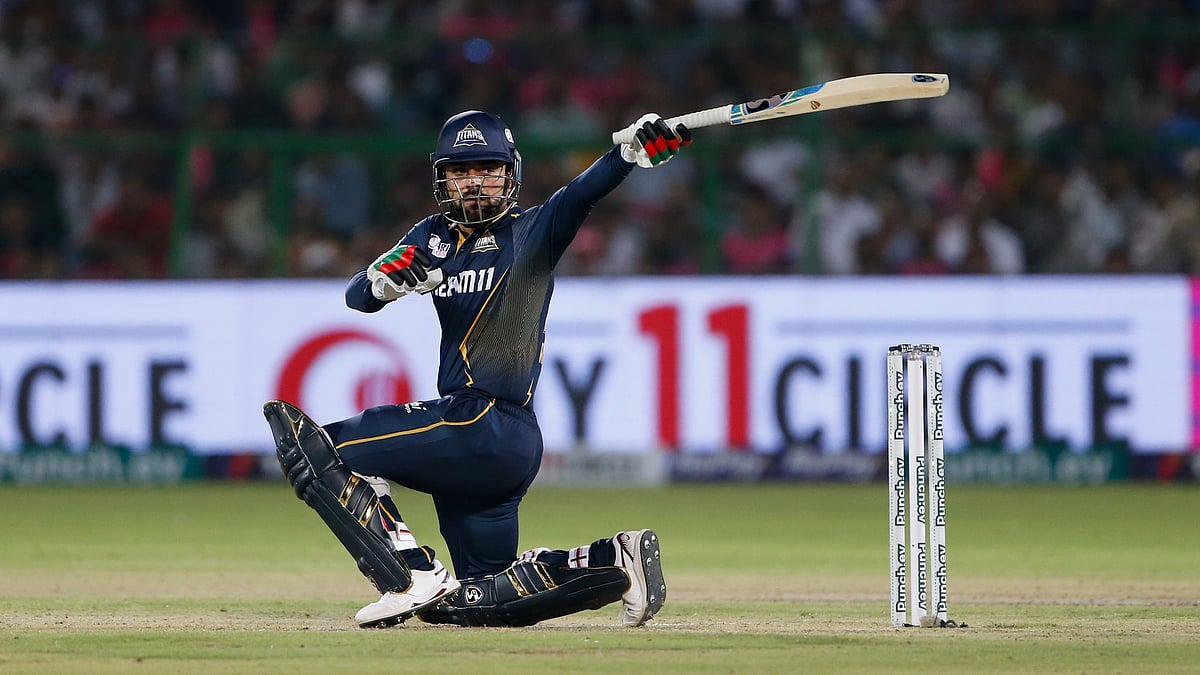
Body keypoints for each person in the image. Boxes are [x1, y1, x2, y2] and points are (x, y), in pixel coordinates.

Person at [264, 109, 691, 629]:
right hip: (487, 446)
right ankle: (616, 560)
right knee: (475, 601)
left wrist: (628, 153)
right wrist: (386, 281)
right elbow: (358, 296)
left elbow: (582, 192)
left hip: (484, 422)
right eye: (460, 171)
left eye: (486, 168)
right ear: (442, 178)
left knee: (320, 450)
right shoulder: (433, 237)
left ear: (509, 174)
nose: (473, 182)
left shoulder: (533, 230)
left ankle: (409, 573)